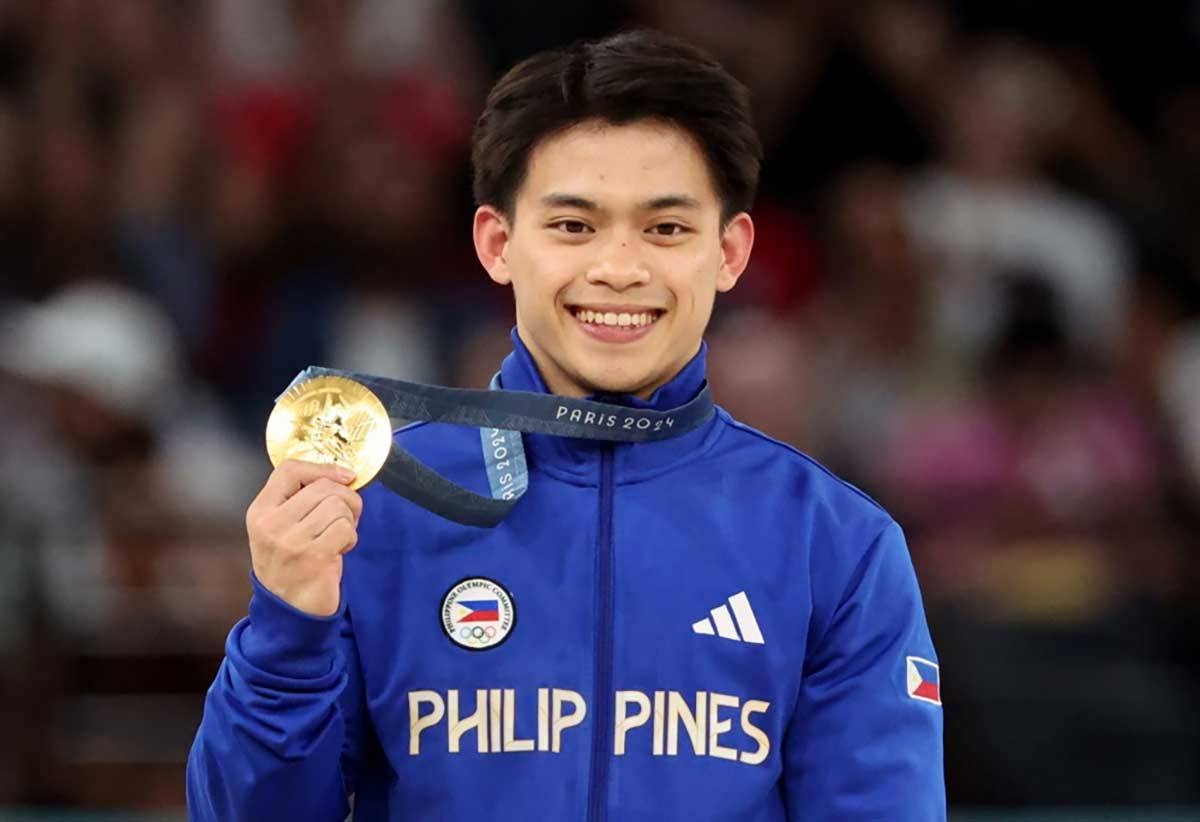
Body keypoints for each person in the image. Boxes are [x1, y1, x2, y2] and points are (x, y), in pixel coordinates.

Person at [186, 29, 945, 820]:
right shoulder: (373, 511)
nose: (618, 268)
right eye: (574, 226)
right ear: (497, 244)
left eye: (666, 228)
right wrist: (286, 629)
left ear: (730, 252)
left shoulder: (836, 545)